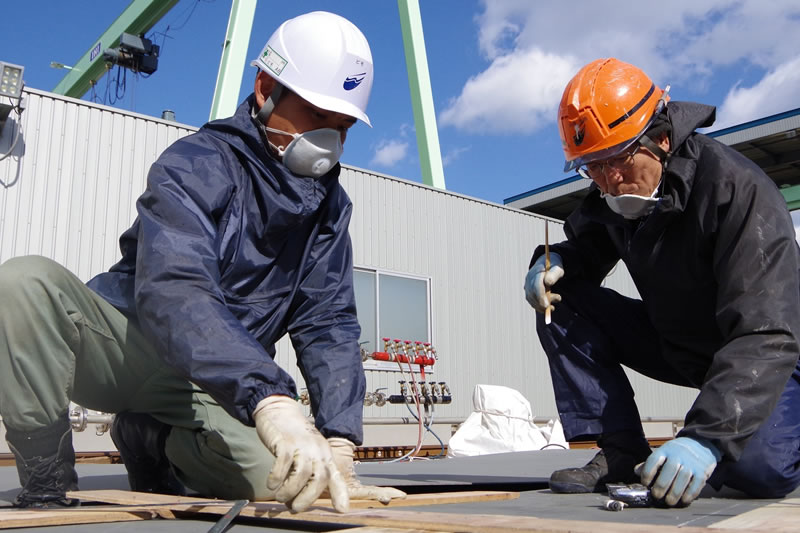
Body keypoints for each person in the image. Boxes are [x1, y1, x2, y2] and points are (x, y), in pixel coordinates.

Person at [0, 11, 404, 512]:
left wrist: (340, 441)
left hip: (212, 382)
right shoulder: (197, 163)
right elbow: (176, 288)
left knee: (281, 482)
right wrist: (270, 398)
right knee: (22, 284)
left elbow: (329, 322)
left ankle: (150, 438)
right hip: (130, 345)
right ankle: (47, 478)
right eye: (318, 117)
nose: (329, 141)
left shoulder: (329, 208)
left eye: (342, 127)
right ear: (264, 89)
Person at [524, 57, 800, 507]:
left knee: (758, 469)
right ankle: (621, 450)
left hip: (772, 354)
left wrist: (704, 437)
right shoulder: (616, 192)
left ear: (662, 138)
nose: (608, 182)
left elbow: (767, 332)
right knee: (562, 299)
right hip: (684, 344)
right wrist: (552, 263)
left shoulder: (739, 193)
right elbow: (587, 248)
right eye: (590, 166)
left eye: (616, 161)